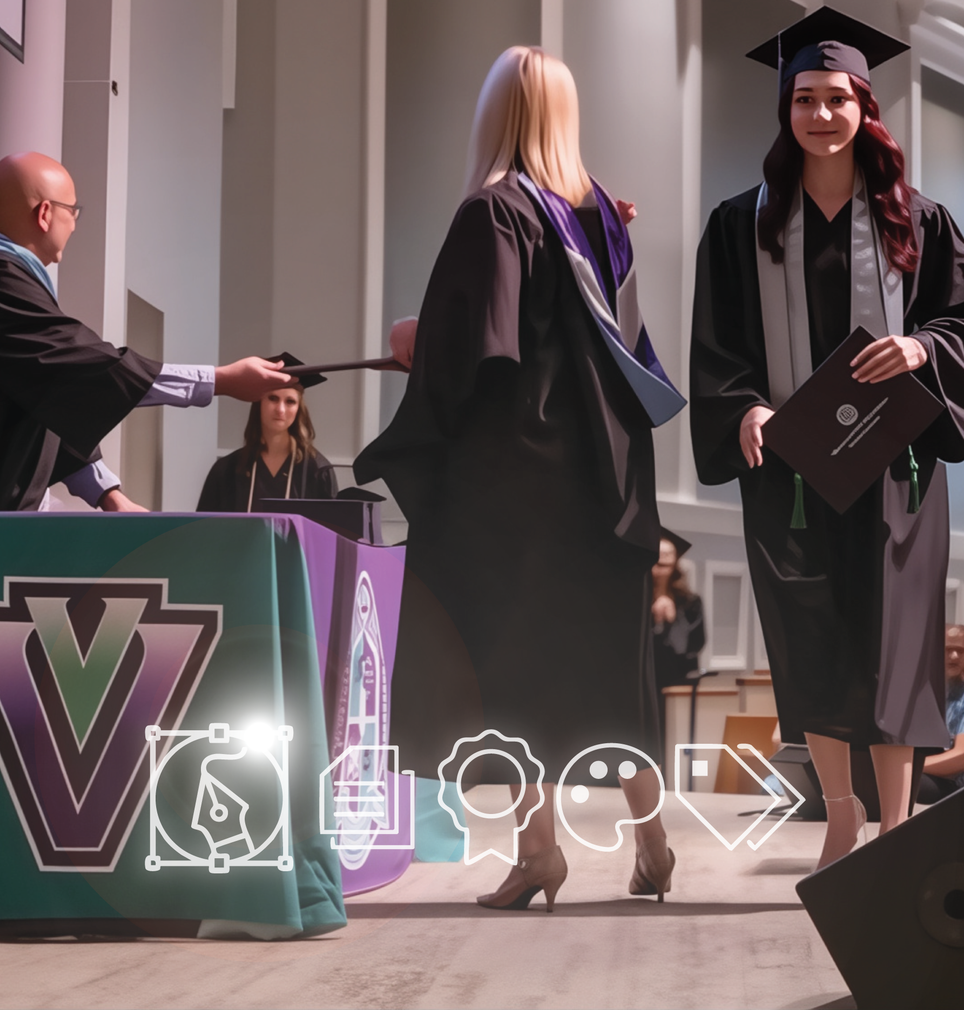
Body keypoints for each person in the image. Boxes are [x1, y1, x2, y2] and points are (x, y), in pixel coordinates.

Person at [356, 46, 684, 909]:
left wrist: (414, 339)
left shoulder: (495, 211)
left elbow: (483, 351)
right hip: (607, 485)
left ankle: (539, 852)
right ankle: (653, 844)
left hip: (516, 492)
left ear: (494, 114)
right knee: (610, 673)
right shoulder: (603, 218)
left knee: (502, 668)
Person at [690, 8, 964, 869]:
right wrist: (743, 408)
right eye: (803, 98)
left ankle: (896, 828)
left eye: (836, 98)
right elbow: (718, 346)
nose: (820, 114)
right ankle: (842, 818)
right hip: (790, 469)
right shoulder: (739, 226)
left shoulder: (918, 221)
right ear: (785, 109)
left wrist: (923, 348)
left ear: (864, 107)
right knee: (811, 639)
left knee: (894, 648)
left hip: (897, 470)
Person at [0, 152, 290, 512]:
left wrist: (109, 496)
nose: (75, 224)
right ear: (45, 214)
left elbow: (44, 392)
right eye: (73, 211)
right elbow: (83, 370)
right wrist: (219, 381)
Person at [196, 382, 337, 512]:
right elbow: (203, 528)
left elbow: (331, 529)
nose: (280, 409)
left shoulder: (317, 470)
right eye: (273, 398)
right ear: (259, 403)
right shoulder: (226, 470)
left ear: (298, 408)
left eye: (290, 401)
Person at [651, 533, 706, 755]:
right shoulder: (637, 598)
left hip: (677, 678)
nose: (663, 562)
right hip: (648, 680)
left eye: (668, 555)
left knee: (676, 739)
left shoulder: (689, 602)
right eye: (658, 558)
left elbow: (695, 643)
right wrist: (654, 619)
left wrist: (674, 619)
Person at [918, 624, 964, 803]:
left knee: (905, 781)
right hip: (935, 771)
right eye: (948, 649)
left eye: (960, 651)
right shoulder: (924, 691)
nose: (954, 656)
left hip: (959, 785)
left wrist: (909, 767)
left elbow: (962, 758)